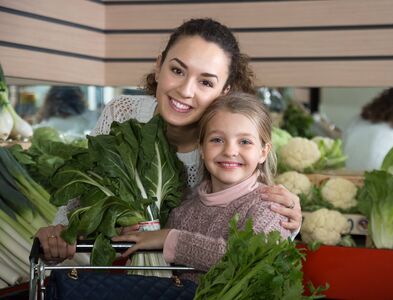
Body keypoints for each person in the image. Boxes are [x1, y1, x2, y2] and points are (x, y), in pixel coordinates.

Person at [36, 18, 301, 263]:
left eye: (206, 83)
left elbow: (239, 221)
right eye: (177, 70)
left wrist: (291, 223)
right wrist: (60, 231)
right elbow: (87, 187)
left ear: (225, 90)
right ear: (159, 64)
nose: (185, 91)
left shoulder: (220, 152)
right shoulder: (122, 112)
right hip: (113, 267)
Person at [112, 93, 291, 283]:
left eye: (245, 142)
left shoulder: (270, 207)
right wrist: (135, 239)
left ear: (263, 152)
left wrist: (169, 239)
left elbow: (249, 258)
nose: (230, 151)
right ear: (202, 149)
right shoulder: (183, 210)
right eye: (217, 140)